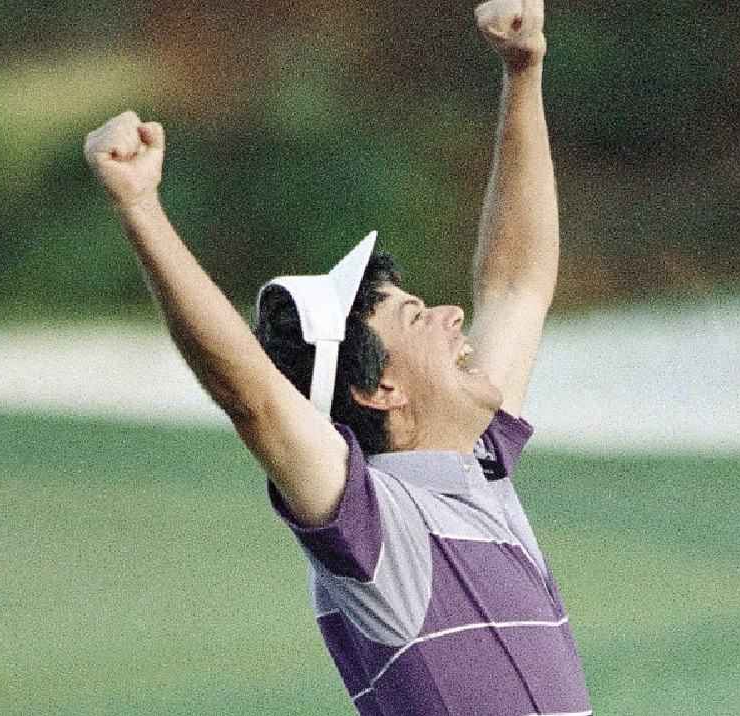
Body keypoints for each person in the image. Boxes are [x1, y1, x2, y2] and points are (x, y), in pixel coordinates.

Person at [83, 0, 590, 713]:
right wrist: (141, 208)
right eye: (417, 316)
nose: (453, 315)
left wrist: (523, 70)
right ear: (381, 386)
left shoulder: (480, 464)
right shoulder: (373, 527)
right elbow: (252, 399)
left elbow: (516, 282)